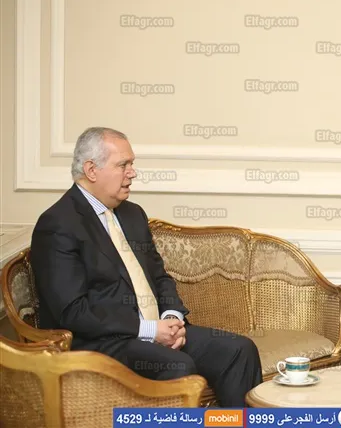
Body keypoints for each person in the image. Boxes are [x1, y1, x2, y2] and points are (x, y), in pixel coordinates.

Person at [30, 127, 262, 407]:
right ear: (91, 170)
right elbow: (73, 311)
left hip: (156, 330)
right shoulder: (58, 224)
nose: (133, 173)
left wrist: (172, 317)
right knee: (177, 365)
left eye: (132, 164)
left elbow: (159, 277)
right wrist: (149, 330)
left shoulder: (132, 214)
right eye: (123, 165)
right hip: (101, 344)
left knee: (239, 350)